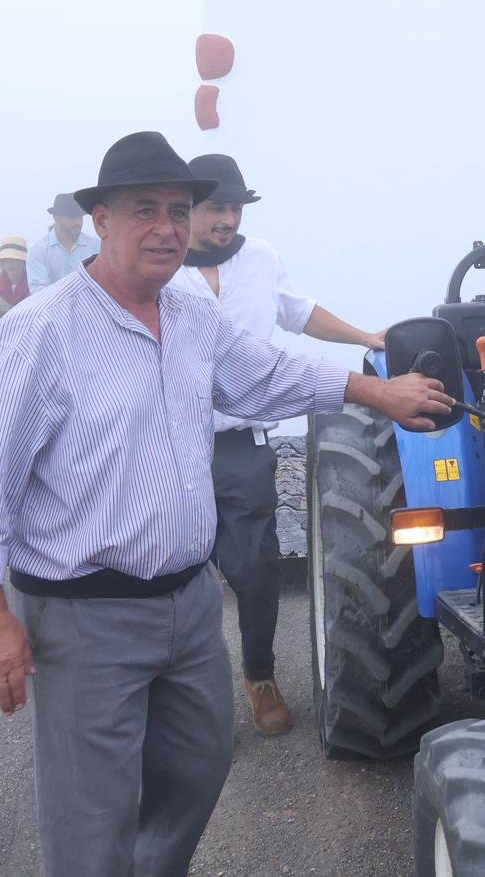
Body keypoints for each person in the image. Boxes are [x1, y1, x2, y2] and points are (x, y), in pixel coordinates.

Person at [0, 131, 451, 877]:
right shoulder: (39, 333)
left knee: (201, 766)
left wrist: (375, 390)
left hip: (188, 606)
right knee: (91, 815)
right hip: (87, 617)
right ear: (102, 219)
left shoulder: (187, 313)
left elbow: (265, 375)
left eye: (178, 210)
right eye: (144, 209)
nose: (166, 227)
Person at [167, 152, 386, 737]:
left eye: (235, 207)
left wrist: (365, 335)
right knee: (171, 575)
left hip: (238, 444)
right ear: (187, 208)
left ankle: (259, 677)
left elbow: (299, 313)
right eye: (216, 207)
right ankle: (183, 701)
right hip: (165, 446)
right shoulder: (158, 267)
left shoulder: (261, 259)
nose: (228, 219)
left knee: (256, 572)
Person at [25, 191, 100, 291]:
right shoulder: (39, 251)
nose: (77, 222)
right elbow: (38, 291)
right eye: (72, 217)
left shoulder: (96, 247)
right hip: (53, 306)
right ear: (56, 218)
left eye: (80, 216)